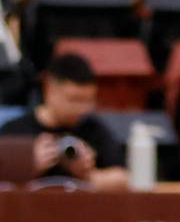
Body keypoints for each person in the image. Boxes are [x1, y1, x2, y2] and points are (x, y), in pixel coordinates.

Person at [0, 54, 128, 190]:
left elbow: (123, 179)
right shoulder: (15, 131)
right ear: (49, 90)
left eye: (88, 101)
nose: (81, 109)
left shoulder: (93, 129)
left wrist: (86, 175)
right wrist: (27, 167)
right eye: (74, 100)